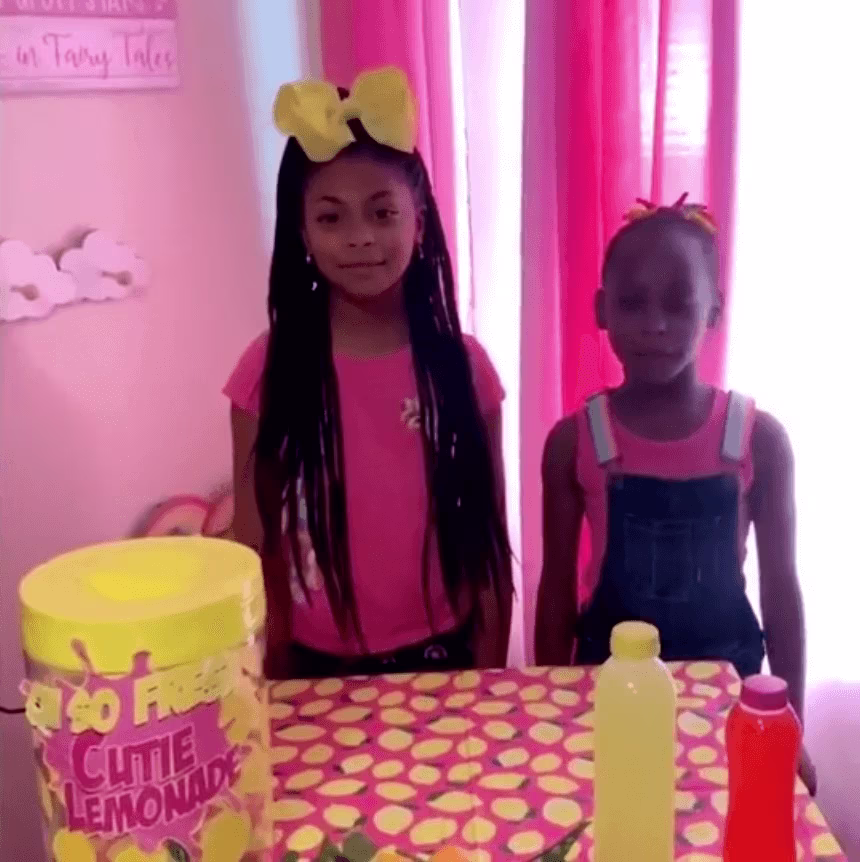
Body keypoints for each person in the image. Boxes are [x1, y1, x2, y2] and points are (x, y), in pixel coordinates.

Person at [225, 67, 512, 680]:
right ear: (301, 231)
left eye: (382, 213)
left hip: (446, 660)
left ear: (420, 220)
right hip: (308, 670)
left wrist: (488, 682)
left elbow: (489, 546)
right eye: (331, 218)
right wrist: (263, 680)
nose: (360, 238)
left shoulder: (465, 370)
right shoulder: (266, 372)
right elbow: (253, 545)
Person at [535, 196, 815, 791]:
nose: (655, 324)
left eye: (679, 304)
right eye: (633, 303)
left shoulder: (757, 439)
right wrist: (547, 710)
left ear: (713, 311)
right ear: (602, 309)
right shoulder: (574, 441)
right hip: (604, 701)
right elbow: (555, 592)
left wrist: (790, 728)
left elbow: (781, 592)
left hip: (728, 706)